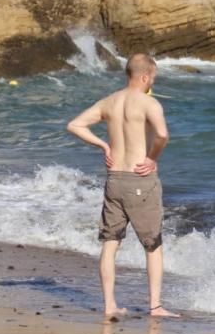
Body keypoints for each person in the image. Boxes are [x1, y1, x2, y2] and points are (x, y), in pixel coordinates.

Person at [67, 54, 178, 318]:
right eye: (153, 77)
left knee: (110, 243)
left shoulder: (109, 102)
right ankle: (155, 306)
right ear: (146, 77)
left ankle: (109, 305)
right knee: (153, 244)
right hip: (140, 179)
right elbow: (162, 135)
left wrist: (104, 145)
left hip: (114, 178)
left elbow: (74, 125)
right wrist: (152, 158)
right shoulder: (149, 103)